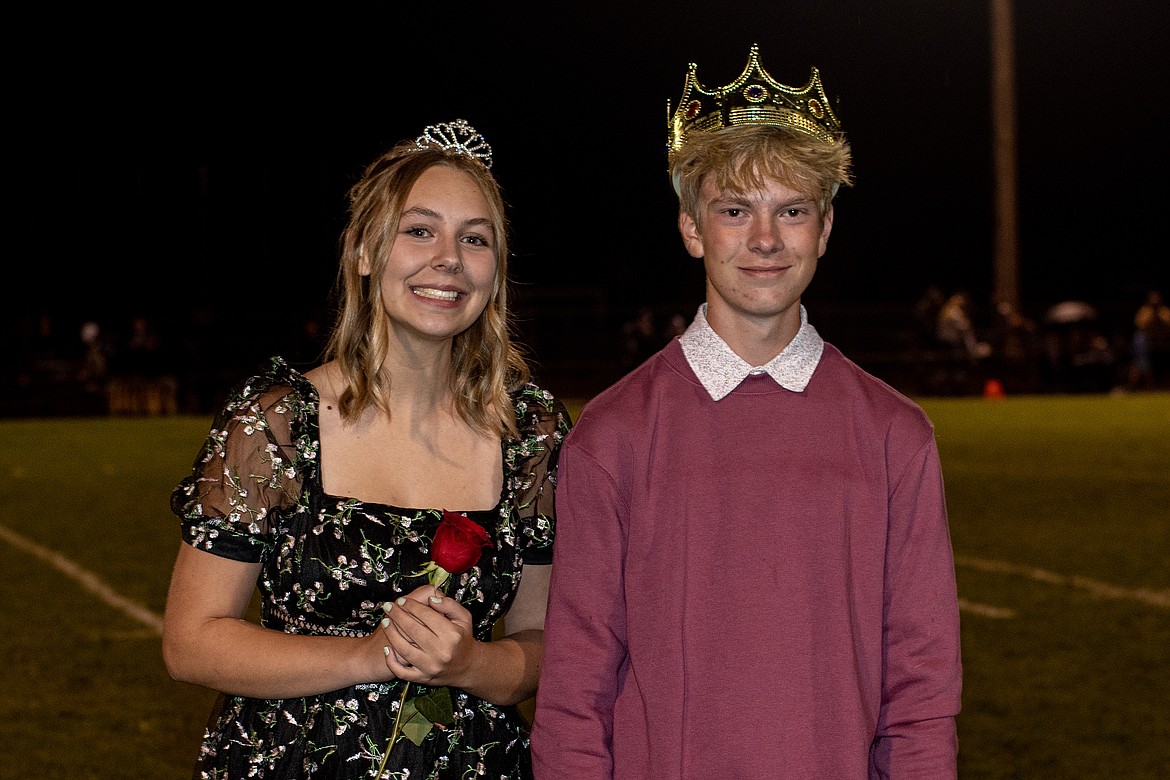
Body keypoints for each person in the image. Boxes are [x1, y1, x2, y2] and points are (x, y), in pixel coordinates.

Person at [531, 45, 962, 778]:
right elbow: (575, 687)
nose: (765, 239)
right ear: (692, 228)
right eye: (735, 211)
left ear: (824, 229)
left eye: (791, 211)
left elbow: (920, 689)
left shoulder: (895, 434)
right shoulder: (614, 433)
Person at [163, 119, 571, 779]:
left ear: (495, 270)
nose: (448, 258)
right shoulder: (275, 421)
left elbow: (545, 644)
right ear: (361, 251)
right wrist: (375, 654)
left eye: (475, 239)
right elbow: (192, 642)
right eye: (419, 230)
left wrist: (471, 664)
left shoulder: (532, 431)